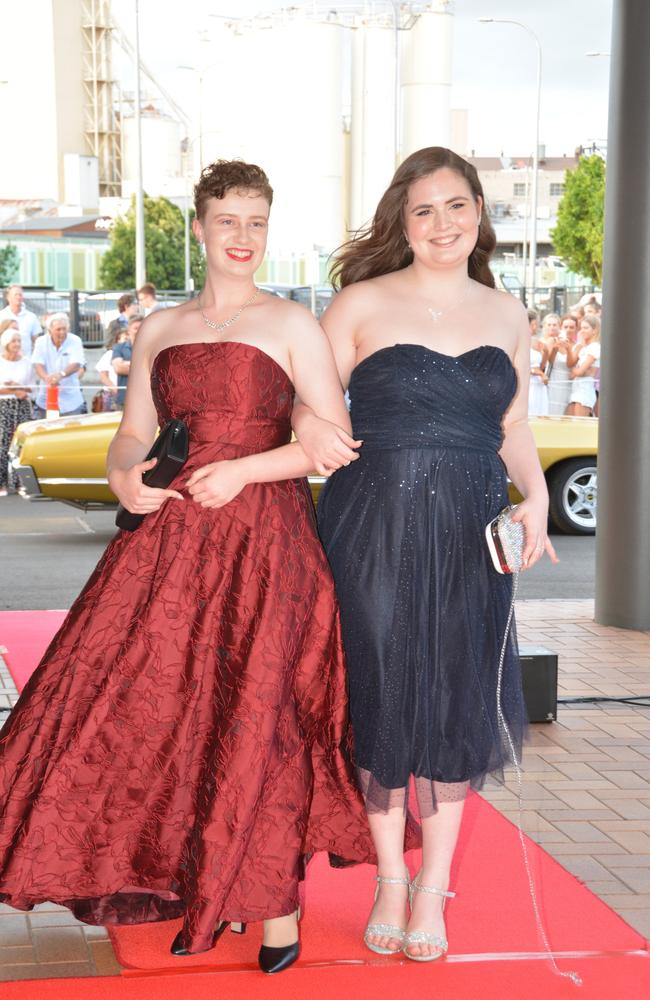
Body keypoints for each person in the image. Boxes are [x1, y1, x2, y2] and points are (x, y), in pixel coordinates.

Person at [0, 159, 383, 975]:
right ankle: (180, 873)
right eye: (228, 221)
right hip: (169, 543)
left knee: (261, 719)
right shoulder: (162, 329)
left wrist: (245, 470)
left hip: (265, 544)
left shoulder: (292, 324)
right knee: (150, 708)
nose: (242, 237)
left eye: (257, 222)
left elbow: (332, 442)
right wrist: (122, 476)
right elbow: (134, 431)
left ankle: (275, 906)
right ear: (200, 228)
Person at [293, 146, 557, 962]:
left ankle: (433, 890)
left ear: (480, 210)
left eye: (456, 205)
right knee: (378, 690)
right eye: (423, 210)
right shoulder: (358, 303)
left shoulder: (507, 312)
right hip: (370, 526)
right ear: (401, 222)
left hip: (472, 530)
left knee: (452, 699)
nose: (443, 223)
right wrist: (312, 432)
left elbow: (512, 428)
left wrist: (539, 497)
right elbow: (308, 409)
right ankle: (388, 878)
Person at [31, 313, 86, 418]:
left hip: (71, 400)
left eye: (64, 329)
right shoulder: (41, 342)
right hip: (45, 398)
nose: (62, 332)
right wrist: (47, 378)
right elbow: (37, 364)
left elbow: (76, 363)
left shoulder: (75, 340)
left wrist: (61, 375)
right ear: (50, 330)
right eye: (58, 329)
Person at [0, 322, 33, 494]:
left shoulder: (26, 362)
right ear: (6, 343)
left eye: (19, 341)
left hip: (22, 406)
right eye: (14, 341)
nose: (17, 344)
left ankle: (21, 482)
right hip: (3, 405)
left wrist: (18, 386)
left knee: (22, 444)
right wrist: (14, 389)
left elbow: (31, 388)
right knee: (2, 443)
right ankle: (2, 483)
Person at [542, 312, 577, 415]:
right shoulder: (552, 340)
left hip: (569, 382)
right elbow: (549, 361)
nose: (568, 330)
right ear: (561, 327)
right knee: (552, 411)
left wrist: (568, 348)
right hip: (554, 381)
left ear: (576, 329)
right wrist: (556, 348)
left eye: (572, 327)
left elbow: (571, 364)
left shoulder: (577, 346)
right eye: (566, 327)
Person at [566, 314, 600, 416]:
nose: (582, 331)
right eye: (581, 328)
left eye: (586, 328)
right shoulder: (584, 346)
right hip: (576, 389)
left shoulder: (595, 347)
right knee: (570, 423)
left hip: (585, 390)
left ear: (594, 330)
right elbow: (571, 364)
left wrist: (575, 372)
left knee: (579, 425)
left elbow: (580, 371)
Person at [0, 285, 42, 357]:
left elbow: (37, 342)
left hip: (25, 362)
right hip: (4, 362)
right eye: (15, 295)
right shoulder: (1, 315)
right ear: (8, 297)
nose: (18, 297)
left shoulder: (31, 317)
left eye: (20, 295)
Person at [112, 314, 143, 407]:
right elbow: (118, 368)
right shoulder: (119, 348)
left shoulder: (152, 348)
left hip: (146, 401)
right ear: (129, 330)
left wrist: (128, 364)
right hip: (124, 400)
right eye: (136, 328)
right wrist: (143, 367)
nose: (139, 331)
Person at [94, 324, 127, 412]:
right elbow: (103, 376)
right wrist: (115, 390)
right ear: (118, 340)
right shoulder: (109, 354)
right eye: (125, 339)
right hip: (111, 395)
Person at [527, 308, 549, 416]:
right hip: (528, 384)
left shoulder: (537, 342)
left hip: (539, 384)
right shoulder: (521, 341)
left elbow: (541, 366)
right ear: (533, 323)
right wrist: (540, 373)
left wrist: (546, 353)